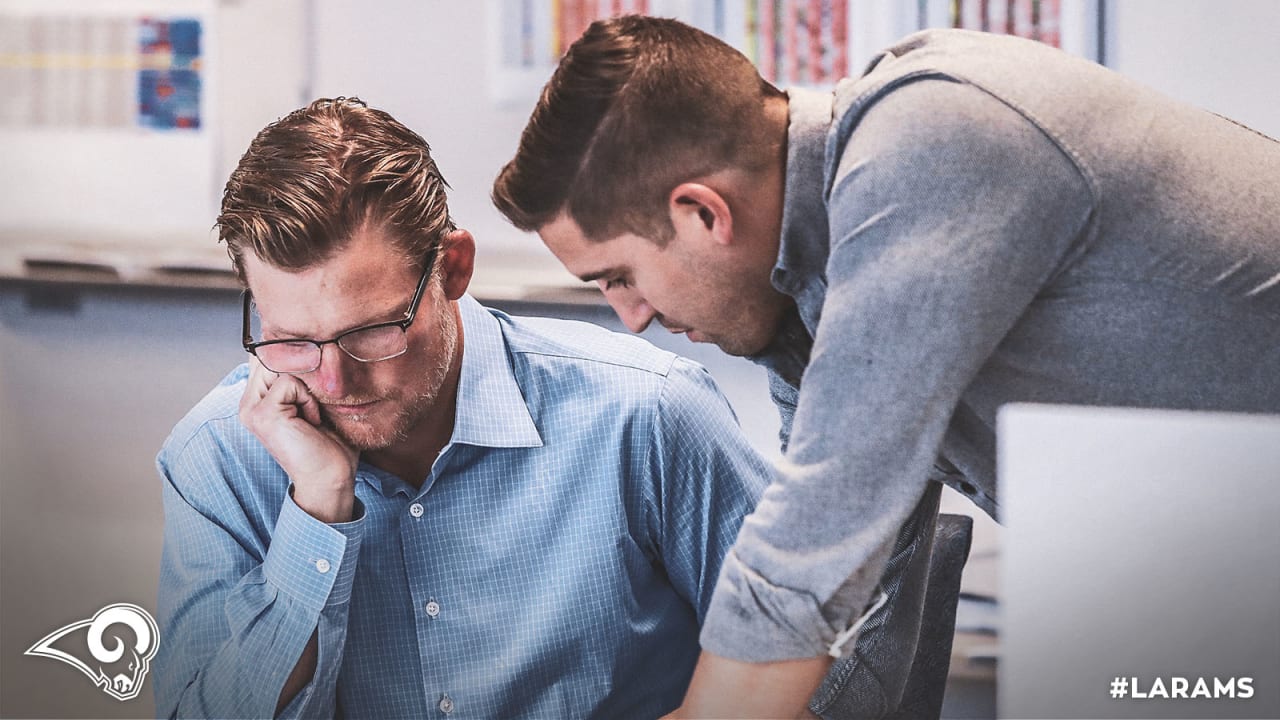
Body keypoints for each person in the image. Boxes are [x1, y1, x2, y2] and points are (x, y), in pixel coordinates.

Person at [491, 15, 1280, 718]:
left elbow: (816, 530)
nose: (630, 316)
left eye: (618, 277)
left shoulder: (934, 135)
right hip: (1208, 580)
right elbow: (852, 587)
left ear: (702, 212)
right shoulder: (809, 298)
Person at [153, 96, 771, 719]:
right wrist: (315, 508)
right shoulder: (217, 455)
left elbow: (827, 664)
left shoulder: (646, 416)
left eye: (372, 329)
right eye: (292, 339)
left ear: (453, 269)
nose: (334, 380)